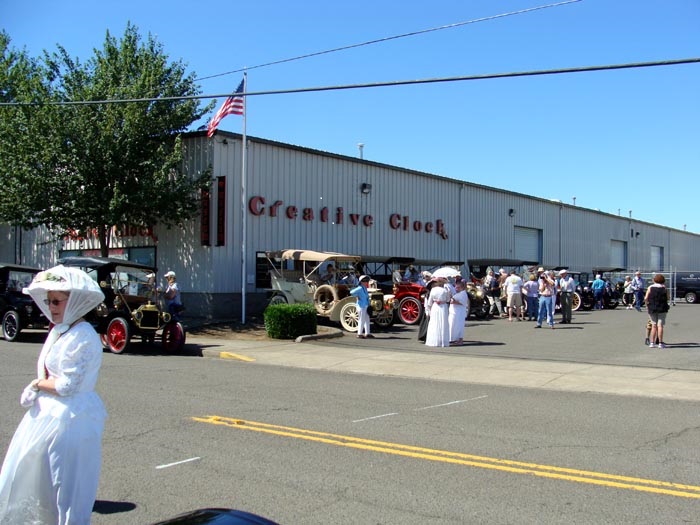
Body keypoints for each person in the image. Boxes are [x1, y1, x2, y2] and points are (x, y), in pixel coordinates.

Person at [0, 265, 107, 524]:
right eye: (49, 301)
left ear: (75, 301)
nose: (51, 307)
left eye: (57, 301)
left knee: (66, 489)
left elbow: (67, 385)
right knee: (33, 480)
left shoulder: (83, 335)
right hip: (48, 415)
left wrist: (37, 384)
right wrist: (38, 387)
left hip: (71, 419)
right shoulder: (61, 329)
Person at [644, 273, 670, 349]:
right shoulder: (664, 288)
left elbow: (646, 298)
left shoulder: (650, 287)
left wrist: (647, 304)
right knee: (660, 326)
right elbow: (668, 298)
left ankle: (652, 343)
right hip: (662, 308)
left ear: (654, 280)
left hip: (652, 308)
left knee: (653, 325)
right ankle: (660, 343)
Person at [425, 277, 451, 347]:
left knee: (434, 322)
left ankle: (434, 340)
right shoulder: (445, 290)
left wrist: (429, 308)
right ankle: (442, 340)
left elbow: (429, 301)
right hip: (443, 307)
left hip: (435, 307)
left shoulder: (433, 290)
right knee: (443, 322)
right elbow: (448, 300)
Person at [449, 279, 469, 345]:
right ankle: (453, 338)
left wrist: (454, 302)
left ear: (462, 287)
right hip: (455, 312)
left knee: (459, 326)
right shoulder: (458, 293)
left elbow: (463, 303)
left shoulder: (463, 294)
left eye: (458, 287)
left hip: (459, 312)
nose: (456, 288)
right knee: (453, 325)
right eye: (456, 287)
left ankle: (459, 339)